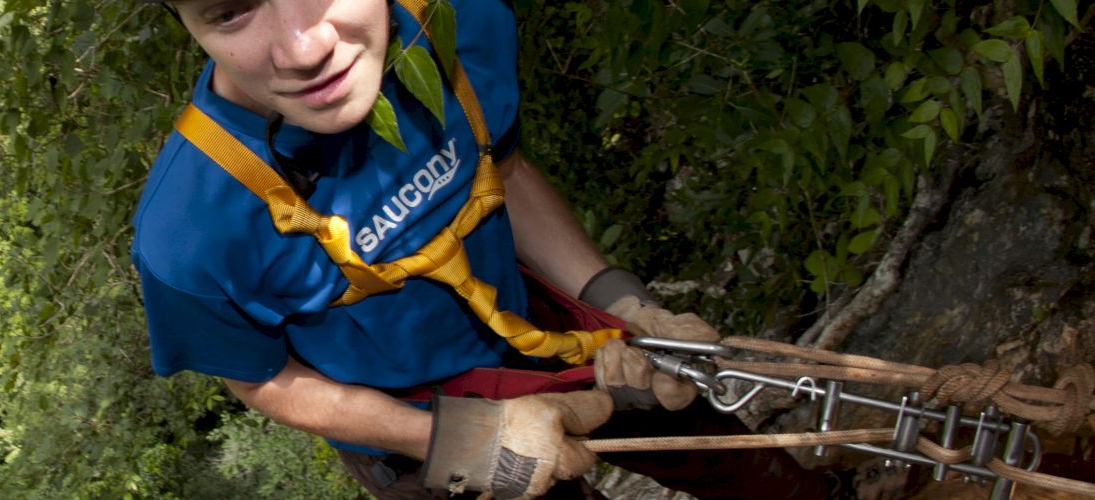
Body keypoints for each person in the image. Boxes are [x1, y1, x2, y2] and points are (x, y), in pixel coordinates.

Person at [128, 0, 835, 497]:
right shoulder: (191, 229)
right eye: (231, 11)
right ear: (188, 28)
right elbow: (262, 380)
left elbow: (505, 175)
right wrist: (461, 445)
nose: (305, 48)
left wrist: (625, 301)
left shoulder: (455, 28)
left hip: (544, 332)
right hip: (412, 423)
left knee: (724, 451)